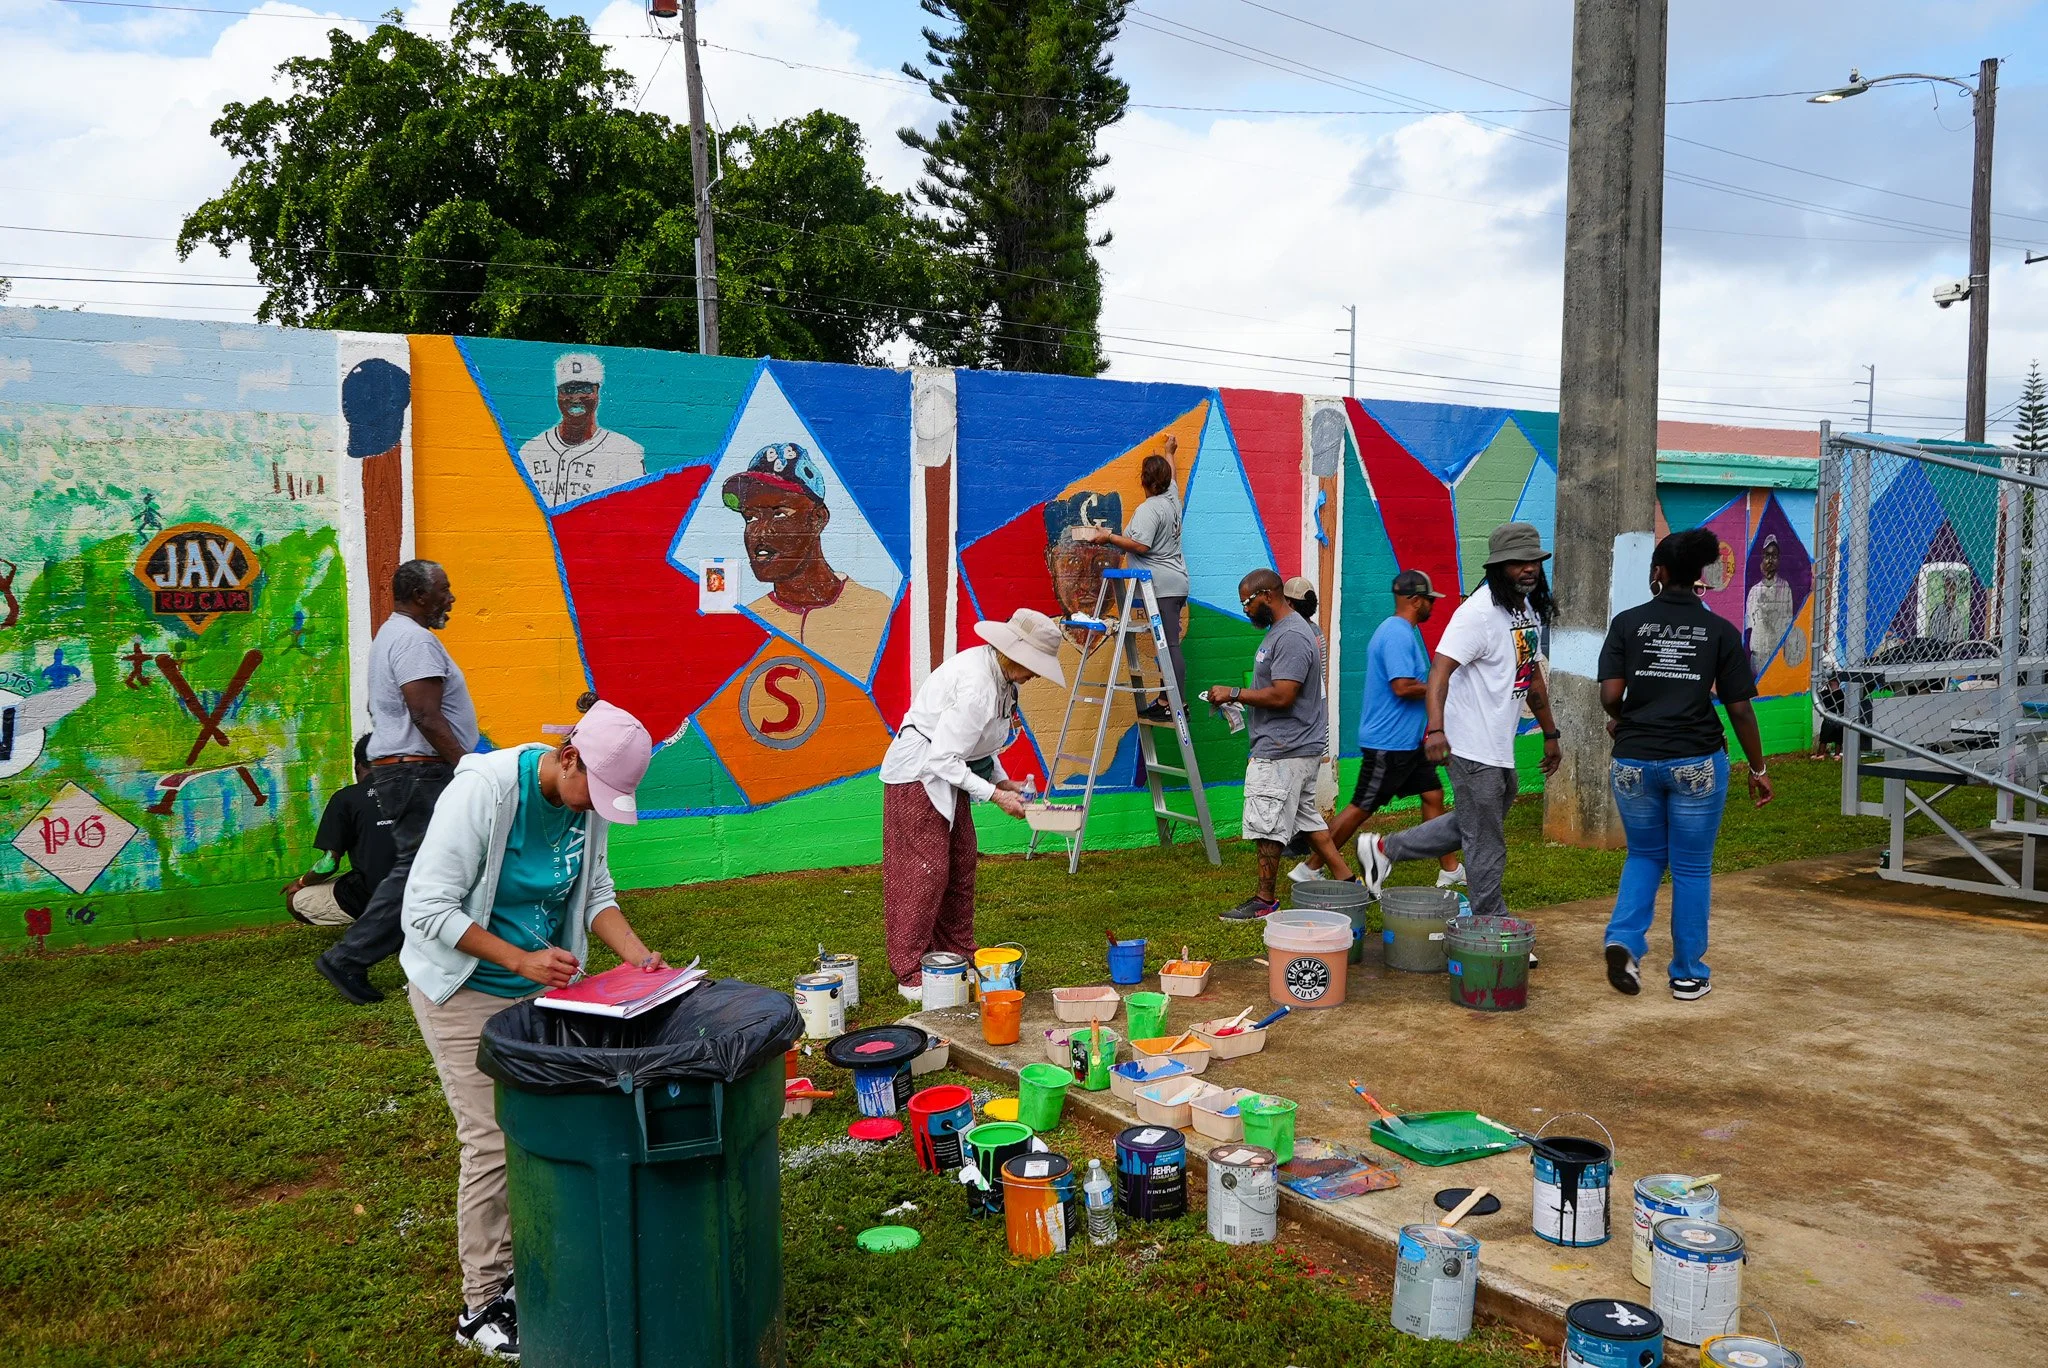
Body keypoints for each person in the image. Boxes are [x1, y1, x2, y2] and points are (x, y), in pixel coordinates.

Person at [400, 699, 659, 1360]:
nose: (591, 808)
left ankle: (527, 1265)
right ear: (567, 756)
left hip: (538, 989)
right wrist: (520, 958)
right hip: (463, 988)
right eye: (590, 792)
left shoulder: (585, 804)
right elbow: (425, 907)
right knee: (490, 1136)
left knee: (541, 1125)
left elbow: (595, 891)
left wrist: (639, 959)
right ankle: (481, 1302)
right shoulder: (483, 793)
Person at [1359, 524, 1561, 957]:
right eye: (1518, 562)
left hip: (1498, 743)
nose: (1529, 569)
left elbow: (1532, 676)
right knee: (1486, 840)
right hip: (1470, 744)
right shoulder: (1478, 613)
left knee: (1473, 823)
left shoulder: (1526, 612)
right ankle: (1490, 925)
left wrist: (1550, 731)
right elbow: (1439, 671)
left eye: (1534, 562)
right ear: (1498, 568)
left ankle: (1382, 848)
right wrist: (1435, 729)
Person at [1598, 529, 1774, 1001]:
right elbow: (1738, 708)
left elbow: (1611, 697)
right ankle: (1688, 973)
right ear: (1699, 576)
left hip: (1634, 761)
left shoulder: (1627, 624)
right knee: (1692, 869)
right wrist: (1757, 770)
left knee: (1645, 855)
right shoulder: (1719, 631)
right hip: (1696, 761)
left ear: (1658, 572)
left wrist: (1629, 721)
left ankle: (1624, 941)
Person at [879, 609, 1066, 999]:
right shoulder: (978, 686)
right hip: (918, 774)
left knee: (961, 860)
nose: (1035, 675)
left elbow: (981, 744)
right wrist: (997, 796)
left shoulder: (1002, 680)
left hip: (951, 774)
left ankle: (956, 951)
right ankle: (910, 969)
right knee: (924, 870)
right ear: (1013, 654)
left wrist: (1002, 780)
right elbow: (943, 758)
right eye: (1033, 665)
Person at [316, 560, 479, 1005]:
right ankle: (350, 956)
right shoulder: (415, 641)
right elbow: (425, 714)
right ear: (421, 596)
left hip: (407, 769)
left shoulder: (394, 633)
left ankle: (425, 956)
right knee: (422, 871)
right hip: (419, 771)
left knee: (428, 868)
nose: (452, 598)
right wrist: (467, 766)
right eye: (445, 590)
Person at [1295, 570, 1464, 887]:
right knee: (1361, 807)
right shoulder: (1397, 633)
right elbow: (1401, 686)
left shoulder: (1402, 631)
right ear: (1414, 600)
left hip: (1407, 745)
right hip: (1389, 745)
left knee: (1433, 794)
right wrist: (1440, 687)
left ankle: (1451, 870)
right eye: (1429, 600)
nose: (1432, 606)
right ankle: (1311, 866)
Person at [1207, 570, 1356, 922]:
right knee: (1309, 823)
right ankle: (1350, 883)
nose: (1245, 609)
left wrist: (1235, 693)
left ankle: (1265, 899)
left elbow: (1283, 695)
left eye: (1247, 602)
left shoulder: (1290, 637)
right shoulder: (1285, 632)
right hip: (1293, 745)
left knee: (1267, 825)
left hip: (1283, 748)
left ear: (1267, 595)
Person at [722, 441, 894, 679]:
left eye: (779, 513)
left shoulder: (879, 612)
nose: (759, 532)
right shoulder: (750, 624)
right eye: (750, 517)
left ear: (818, 518)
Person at [1072, 439, 1188, 719]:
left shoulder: (1150, 510)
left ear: (1144, 482)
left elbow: (1142, 546)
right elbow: (1171, 475)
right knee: (1167, 643)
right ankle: (1165, 701)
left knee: (1169, 645)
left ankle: (1176, 704)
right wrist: (1169, 453)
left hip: (1161, 587)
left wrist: (1108, 537)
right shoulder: (1171, 498)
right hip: (1174, 583)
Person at [284, 735, 397, 928]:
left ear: (359, 766)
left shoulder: (346, 798)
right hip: (420, 891)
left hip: (372, 895)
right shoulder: (418, 791)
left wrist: (301, 882)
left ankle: (374, 927)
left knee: (296, 900)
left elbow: (328, 864)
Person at [518, 352, 645, 508]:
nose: (576, 397)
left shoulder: (625, 452)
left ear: (597, 393)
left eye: (585, 389)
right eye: (569, 389)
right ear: (558, 394)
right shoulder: (530, 451)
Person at [1744, 534, 1795, 674]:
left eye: (1774, 556)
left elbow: (1788, 624)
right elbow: (1749, 626)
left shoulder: (1785, 588)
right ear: (1762, 559)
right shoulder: (1754, 591)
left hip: (1777, 655)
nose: (1770, 560)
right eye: (1767, 555)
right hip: (1758, 655)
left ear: (1779, 559)